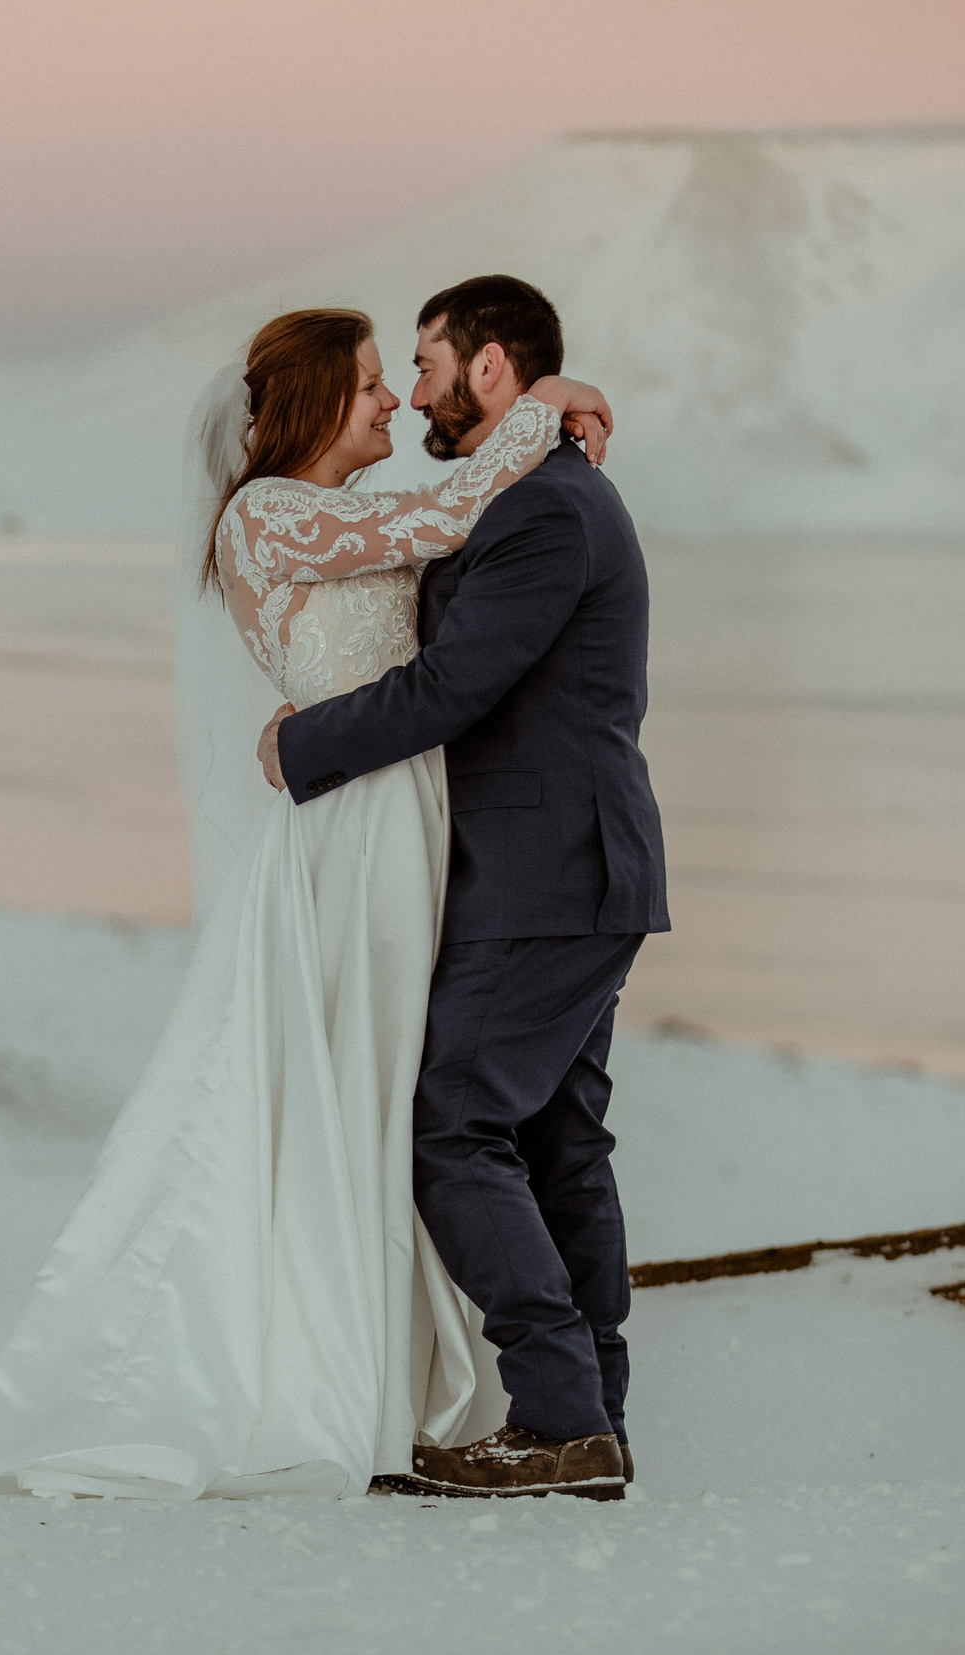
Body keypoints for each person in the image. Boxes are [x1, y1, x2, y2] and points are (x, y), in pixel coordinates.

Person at [0, 301, 615, 1499]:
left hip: (407, 822)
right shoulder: (267, 517)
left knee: (390, 1103)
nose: (392, 403)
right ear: (316, 403)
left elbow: (446, 557)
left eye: (395, 378)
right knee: (372, 1095)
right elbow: (454, 512)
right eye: (371, 384)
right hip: (358, 836)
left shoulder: (346, 518)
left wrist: (540, 409)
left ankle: (425, 1380)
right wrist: (550, 402)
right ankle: (335, 1376)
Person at [259, 275, 668, 1499]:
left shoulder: (544, 510)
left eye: (427, 364)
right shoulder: (523, 490)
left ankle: (559, 1415)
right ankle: (586, 1418)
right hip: (563, 869)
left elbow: (455, 688)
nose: (414, 389)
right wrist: (555, 400)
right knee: (555, 1143)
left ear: (489, 368)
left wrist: (302, 746)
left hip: (549, 872)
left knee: (450, 1126)